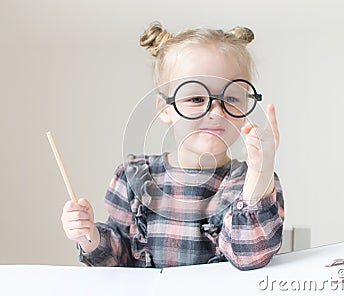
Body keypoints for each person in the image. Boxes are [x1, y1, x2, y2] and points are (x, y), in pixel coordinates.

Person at [61, 21, 285, 271]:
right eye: (196, 98)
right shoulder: (135, 176)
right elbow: (117, 258)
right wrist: (88, 237)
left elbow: (250, 256)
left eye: (230, 98)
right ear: (165, 109)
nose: (216, 111)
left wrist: (260, 172)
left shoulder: (251, 181)